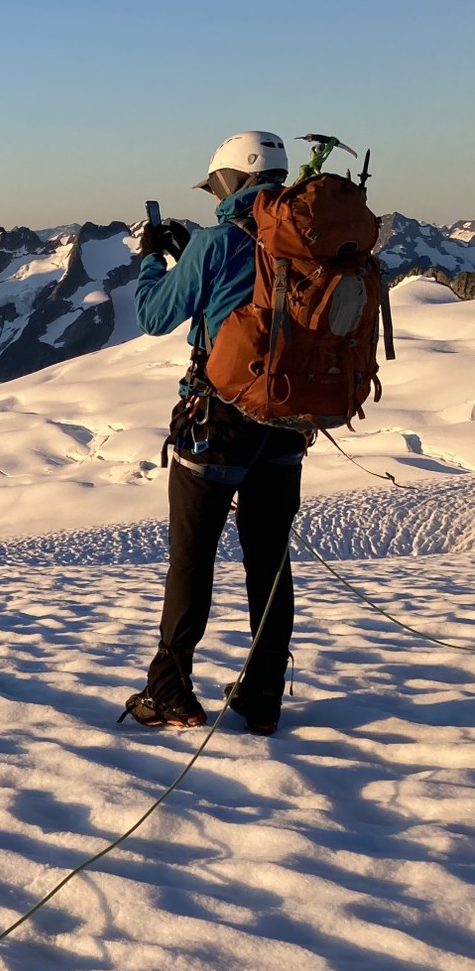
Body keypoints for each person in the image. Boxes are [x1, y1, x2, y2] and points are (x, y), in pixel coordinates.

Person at [122, 131, 312, 736]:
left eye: (216, 186)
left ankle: (171, 691)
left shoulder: (216, 241)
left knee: (193, 557)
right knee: (269, 559)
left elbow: (154, 315)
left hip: (219, 422)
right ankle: (263, 694)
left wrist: (154, 259)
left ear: (232, 181)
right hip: (288, 422)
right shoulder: (311, 239)